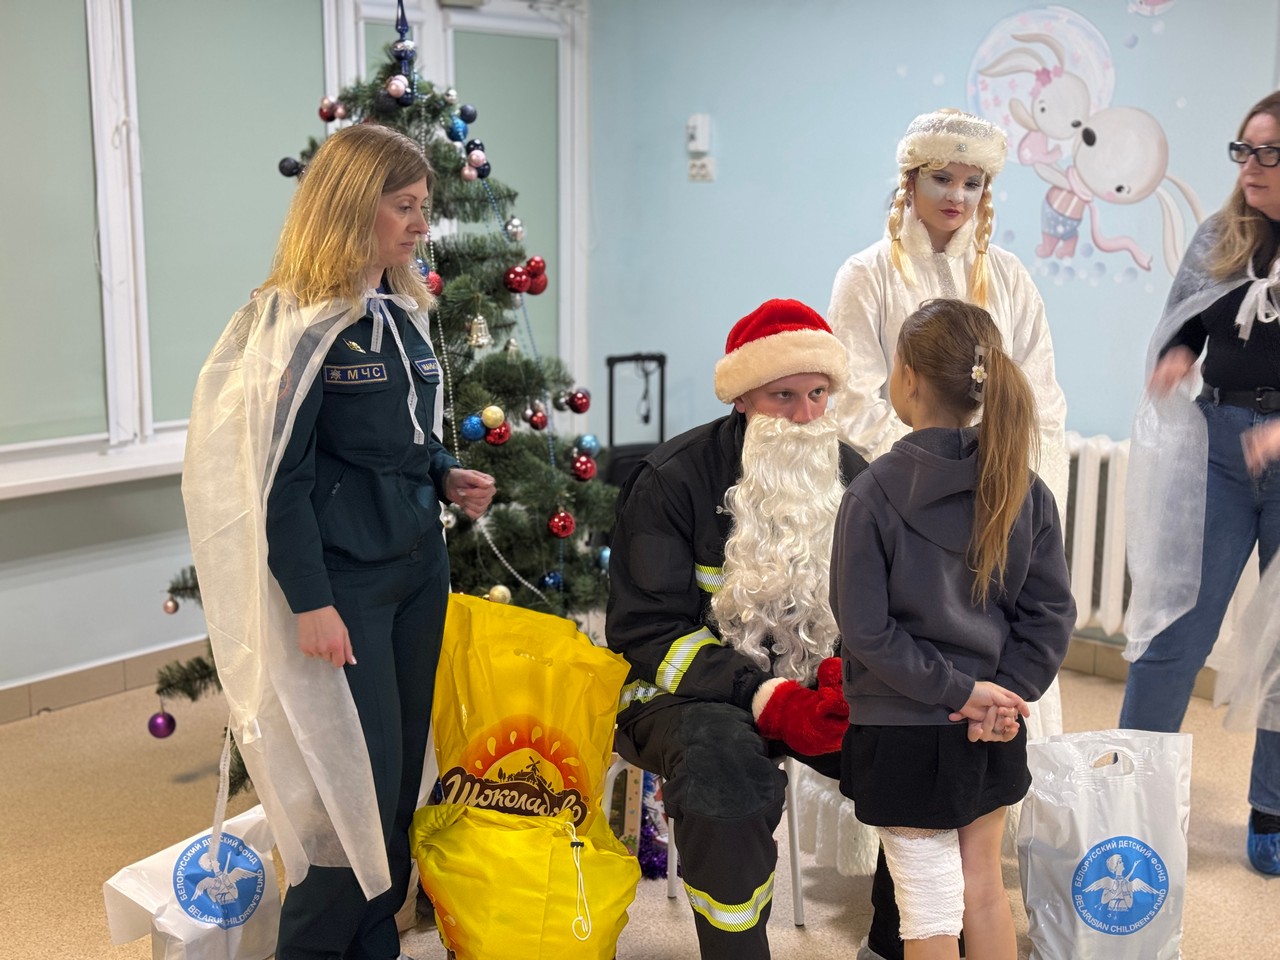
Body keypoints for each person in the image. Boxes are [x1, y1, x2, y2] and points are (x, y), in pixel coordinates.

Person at [182, 123, 496, 960]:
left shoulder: (403, 312)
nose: (421, 224)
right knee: (346, 793)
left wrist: (444, 473)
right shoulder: (296, 324)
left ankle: (374, 944)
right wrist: (312, 602)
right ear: (355, 207)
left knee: (399, 789)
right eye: (404, 206)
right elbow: (274, 481)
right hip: (344, 586)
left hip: (417, 573)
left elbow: (404, 442)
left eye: (423, 206)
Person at [813, 107, 1071, 960]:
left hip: (915, 706)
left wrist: (973, 693)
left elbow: (867, 628)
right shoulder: (866, 276)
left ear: (909, 378)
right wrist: (1006, 693)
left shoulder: (878, 499)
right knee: (980, 885)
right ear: (910, 181)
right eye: (942, 177)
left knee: (931, 898)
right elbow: (1050, 611)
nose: (957, 194)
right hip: (991, 699)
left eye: (973, 181)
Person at [606, 298, 867, 960]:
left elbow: (880, 608)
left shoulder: (855, 476)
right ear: (743, 398)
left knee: (924, 747)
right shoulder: (671, 481)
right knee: (721, 768)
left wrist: (845, 679)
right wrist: (764, 696)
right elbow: (648, 634)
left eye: (817, 394)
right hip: (686, 696)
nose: (805, 416)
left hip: (818, 690)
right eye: (784, 396)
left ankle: (900, 940)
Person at [1122, 91, 1280, 877]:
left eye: (1269, 152)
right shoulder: (1222, 235)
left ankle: (1272, 810)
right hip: (1219, 448)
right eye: (1244, 149)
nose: (1251, 165)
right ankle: (1126, 791)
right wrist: (1178, 354)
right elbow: (1187, 317)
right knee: (1175, 626)